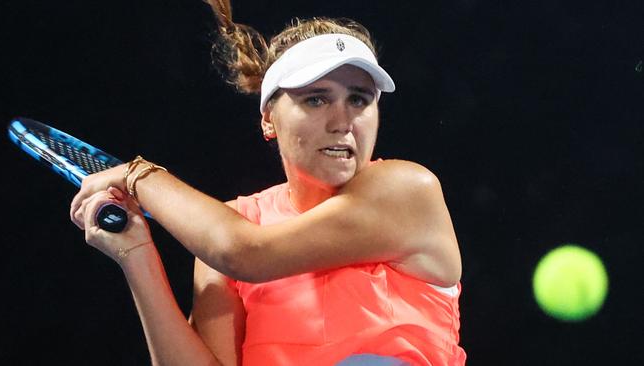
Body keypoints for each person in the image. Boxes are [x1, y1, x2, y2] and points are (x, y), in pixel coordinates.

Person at [70, 1, 466, 364]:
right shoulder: (229, 224)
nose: (342, 120)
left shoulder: (407, 190)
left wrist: (138, 174)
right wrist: (137, 257)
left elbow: (244, 253)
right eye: (316, 99)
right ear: (268, 119)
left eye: (359, 99)